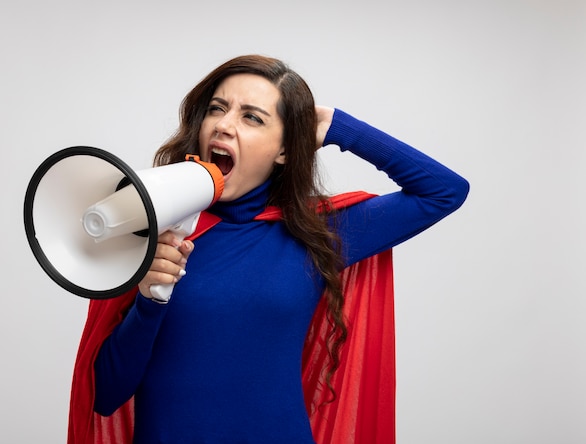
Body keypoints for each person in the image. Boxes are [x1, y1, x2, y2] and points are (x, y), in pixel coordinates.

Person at [68, 54, 469, 444]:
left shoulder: (319, 233)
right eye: (217, 109)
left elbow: (444, 191)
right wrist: (149, 300)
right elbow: (105, 396)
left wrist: (337, 127)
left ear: (284, 151)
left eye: (252, 117)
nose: (224, 125)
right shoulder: (150, 231)